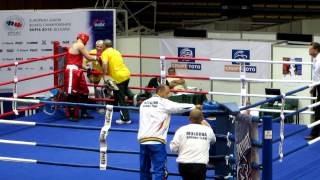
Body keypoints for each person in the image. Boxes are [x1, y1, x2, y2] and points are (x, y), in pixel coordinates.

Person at [138, 85, 199, 180]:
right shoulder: (163, 102)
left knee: (144, 169)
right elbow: (179, 107)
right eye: (167, 93)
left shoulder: (144, 103)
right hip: (156, 141)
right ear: (161, 92)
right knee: (160, 170)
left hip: (143, 141)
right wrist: (195, 106)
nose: (168, 95)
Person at [64, 32, 98, 121]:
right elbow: (88, 57)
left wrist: (86, 68)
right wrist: (98, 58)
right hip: (72, 71)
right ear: (85, 39)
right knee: (72, 93)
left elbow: (76, 61)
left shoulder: (75, 45)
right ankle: (71, 115)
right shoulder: (80, 45)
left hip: (78, 70)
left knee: (84, 91)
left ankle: (84, 112)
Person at [101, 39, 132, 124]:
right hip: (126, 74)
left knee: (120, 98)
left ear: (104, 45)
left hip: (118, 77)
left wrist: (104, 75)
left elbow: (104, 64)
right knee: (123, 92)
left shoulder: (105, 53)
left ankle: (125, 119)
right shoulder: (116, 51)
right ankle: (135, 96)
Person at [83, 40, 106, 113]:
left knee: (101, 91)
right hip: (95, 75)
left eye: (100, 47)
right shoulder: (92, 52)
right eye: (97, 46)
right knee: (97, 92)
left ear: (103, 47)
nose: (99, 48)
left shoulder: (106, 54)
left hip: (103, 75)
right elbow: (83, 62)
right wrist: (88, 68)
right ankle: (99, 107)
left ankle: (104, 107)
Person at [306, 42, 320, 140]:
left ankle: (315, 133)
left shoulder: (319, 60)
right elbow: (316, 76)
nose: (309, 50)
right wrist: (313, 87)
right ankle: (315, 133)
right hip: (317, 86)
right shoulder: (316, 59)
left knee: (318, 110)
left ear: (316, 50)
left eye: (310, 48)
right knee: (317, 109)